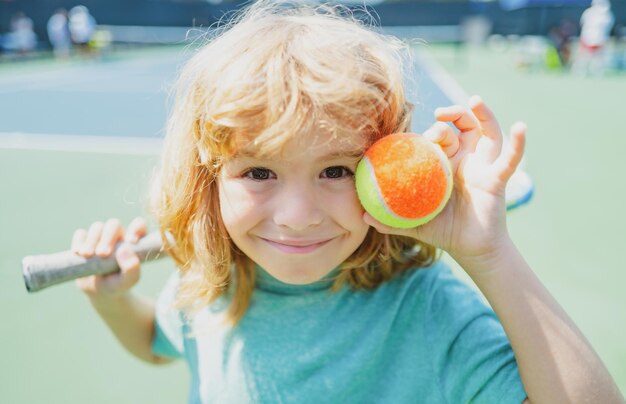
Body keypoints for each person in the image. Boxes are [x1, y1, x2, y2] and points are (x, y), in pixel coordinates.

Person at [71, 1, 623, 402]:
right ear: (207, 182)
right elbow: (155, 341)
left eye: (335, 170)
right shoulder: (211, 282)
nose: (297, 215)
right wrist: (113, 301)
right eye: (259, 171)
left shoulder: (425, 310)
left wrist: (490, 254)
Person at [573, 0, 615, 75]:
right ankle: (580, 72)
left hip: (599, 40)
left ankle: (595, 72)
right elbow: (583, 24)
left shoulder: (608, 15)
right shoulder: (589, 13)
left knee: (597, 58)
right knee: (584, 57)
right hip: (587, 38)